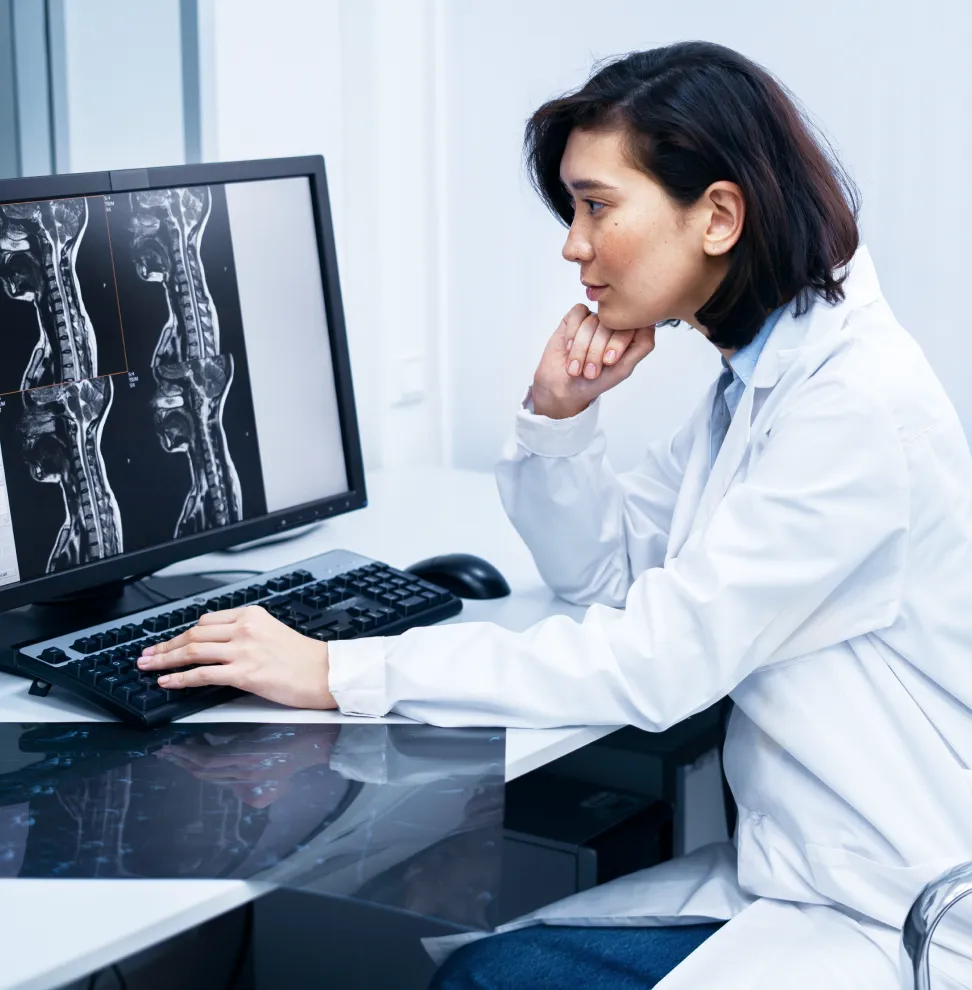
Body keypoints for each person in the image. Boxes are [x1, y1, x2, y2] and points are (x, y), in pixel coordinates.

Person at [135, 41, 972, 990]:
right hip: (812, 871)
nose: (574, 245)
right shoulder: (759, 380)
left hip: (894, 909)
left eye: (596, 205)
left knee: (487, 979)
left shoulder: (849, 410)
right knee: (484, 961)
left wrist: (342, 670)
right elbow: (603, 577)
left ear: (718, 216)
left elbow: (653, 662)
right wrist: (558, 418)